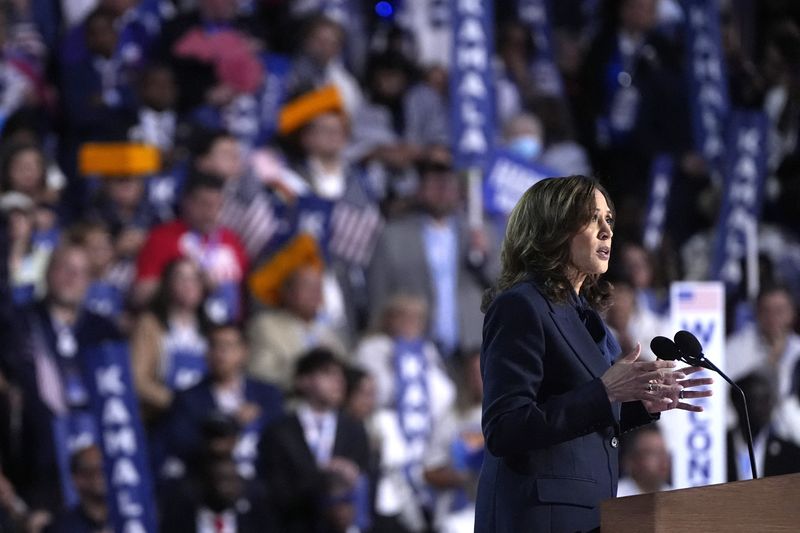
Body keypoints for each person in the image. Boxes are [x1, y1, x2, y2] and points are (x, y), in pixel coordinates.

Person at [475, 176, 712, 532]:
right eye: (591, 219)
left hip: (589, 516)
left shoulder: (587, 317)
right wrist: (607, 392)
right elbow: (504, 428)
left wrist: (638, 404)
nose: (607, 232)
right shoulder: (521, 306)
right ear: (551, 227)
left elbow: (583, 413)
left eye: (609, 220)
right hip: (539, 518)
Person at [617, 424, 672, 496]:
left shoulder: (676, 497)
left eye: (663, 451)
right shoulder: (616, 496)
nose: (662, 459)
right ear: (631, 461)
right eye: (653, 453)